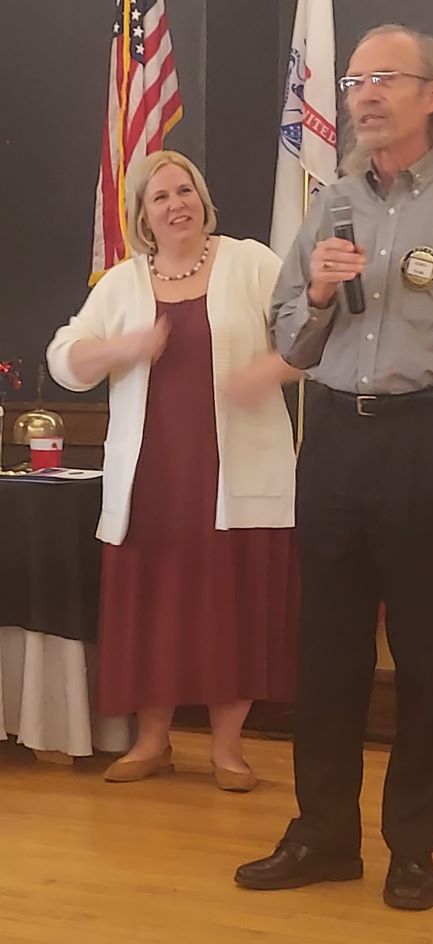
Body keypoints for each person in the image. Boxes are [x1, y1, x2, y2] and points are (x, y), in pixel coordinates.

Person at [235, 25, 433, 909]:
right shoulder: (332, 203)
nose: (365, 95)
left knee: (422, 659)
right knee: (325, 655)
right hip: (335, 443)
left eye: (385, 77)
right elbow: (289, 339)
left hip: (430, 441)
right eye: (353, 82)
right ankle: (324, 834)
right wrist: (319, 293)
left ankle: (413, 847)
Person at [47, 150, 299, 788]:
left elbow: (309, 338)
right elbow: (64, 360)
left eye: (184, 191)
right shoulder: (122, 284)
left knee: (232, 607)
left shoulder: (251, 262)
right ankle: (152, 742)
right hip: (150, 483)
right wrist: (123, 346)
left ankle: (227, 749)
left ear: (202, 199)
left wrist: (267, 372)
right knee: (153, 610)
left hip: (235, 477)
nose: (175, 204)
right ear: (142, 215)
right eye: (159, 197)